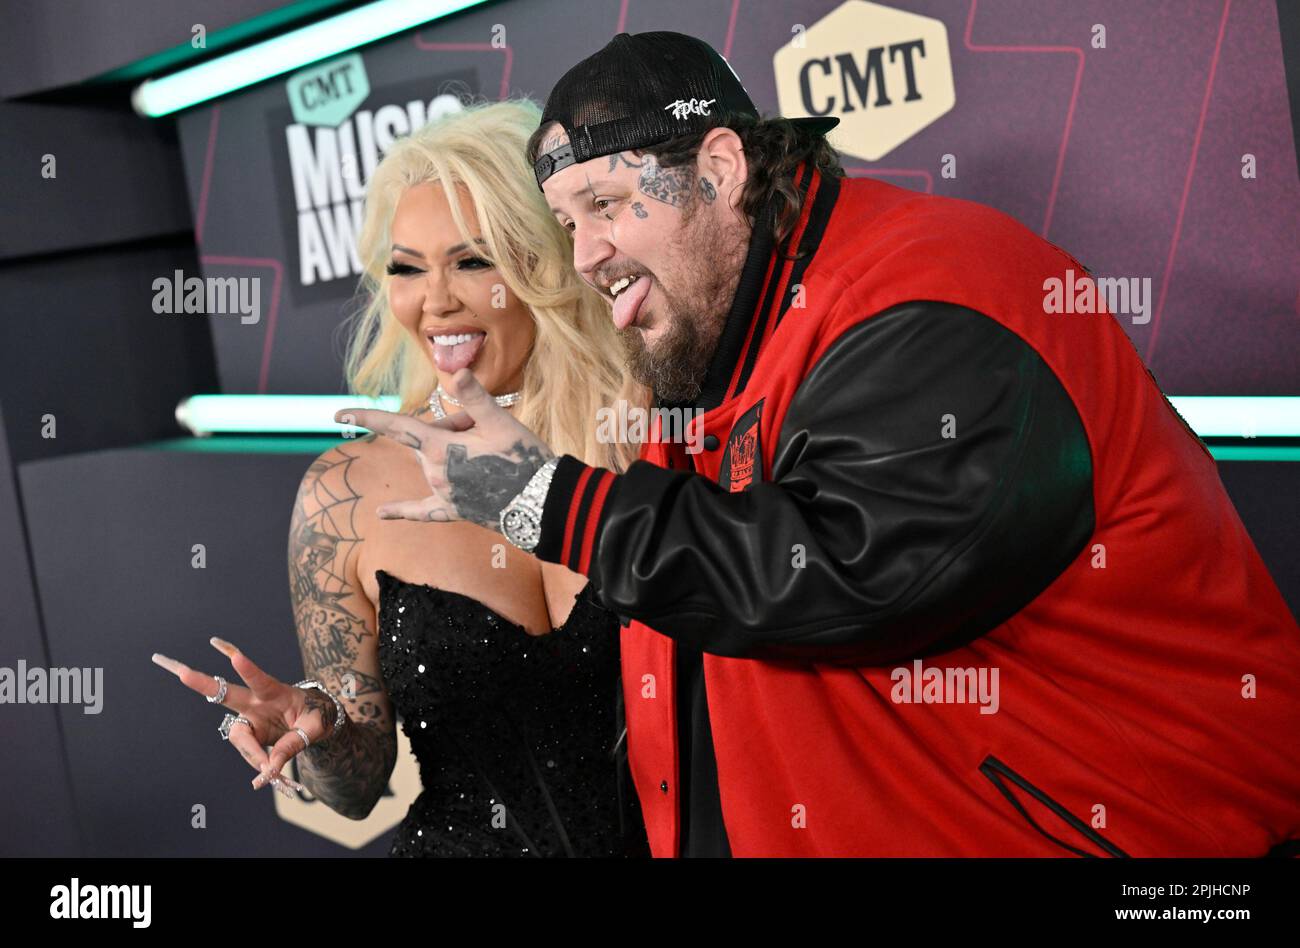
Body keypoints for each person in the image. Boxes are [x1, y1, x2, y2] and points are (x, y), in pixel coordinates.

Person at [335, 31, 1300, 857]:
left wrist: (550, 498)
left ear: (719, 170)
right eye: (566, 221)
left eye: (608, 205)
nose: (586, 254)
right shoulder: (708, 345)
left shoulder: (930, 290)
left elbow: (844, 576)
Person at [152, 99, 651, 857]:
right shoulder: (349, 492)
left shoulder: (659, 435)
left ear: (549, 259)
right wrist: (314, 730)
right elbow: (354, 792)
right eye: (408, 269)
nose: (436, 300)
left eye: (473, 260)